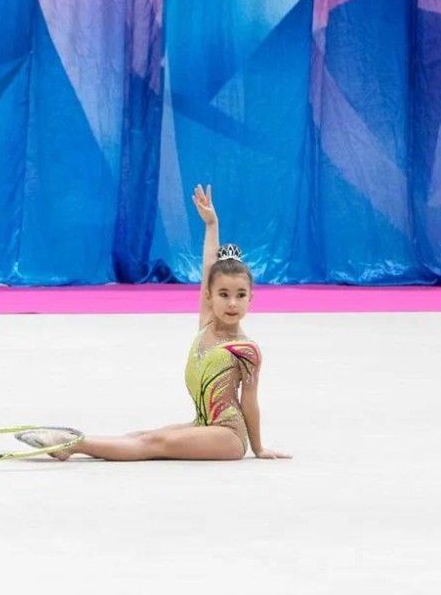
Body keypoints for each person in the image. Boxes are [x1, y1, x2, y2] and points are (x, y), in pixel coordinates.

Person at [15, 184, 291, 461]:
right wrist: (211, 224)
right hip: (205, 424)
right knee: (140, 435)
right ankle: (72, 441)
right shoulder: (207, 323)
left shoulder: (245, 349)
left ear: (250, 299)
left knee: (153, 443)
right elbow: (209, 268)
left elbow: (250, 402)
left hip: (228, 435)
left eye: (240, 295)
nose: (232, 303)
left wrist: (258, 448)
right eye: (224, 294)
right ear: (209, 296)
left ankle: (71, 443)